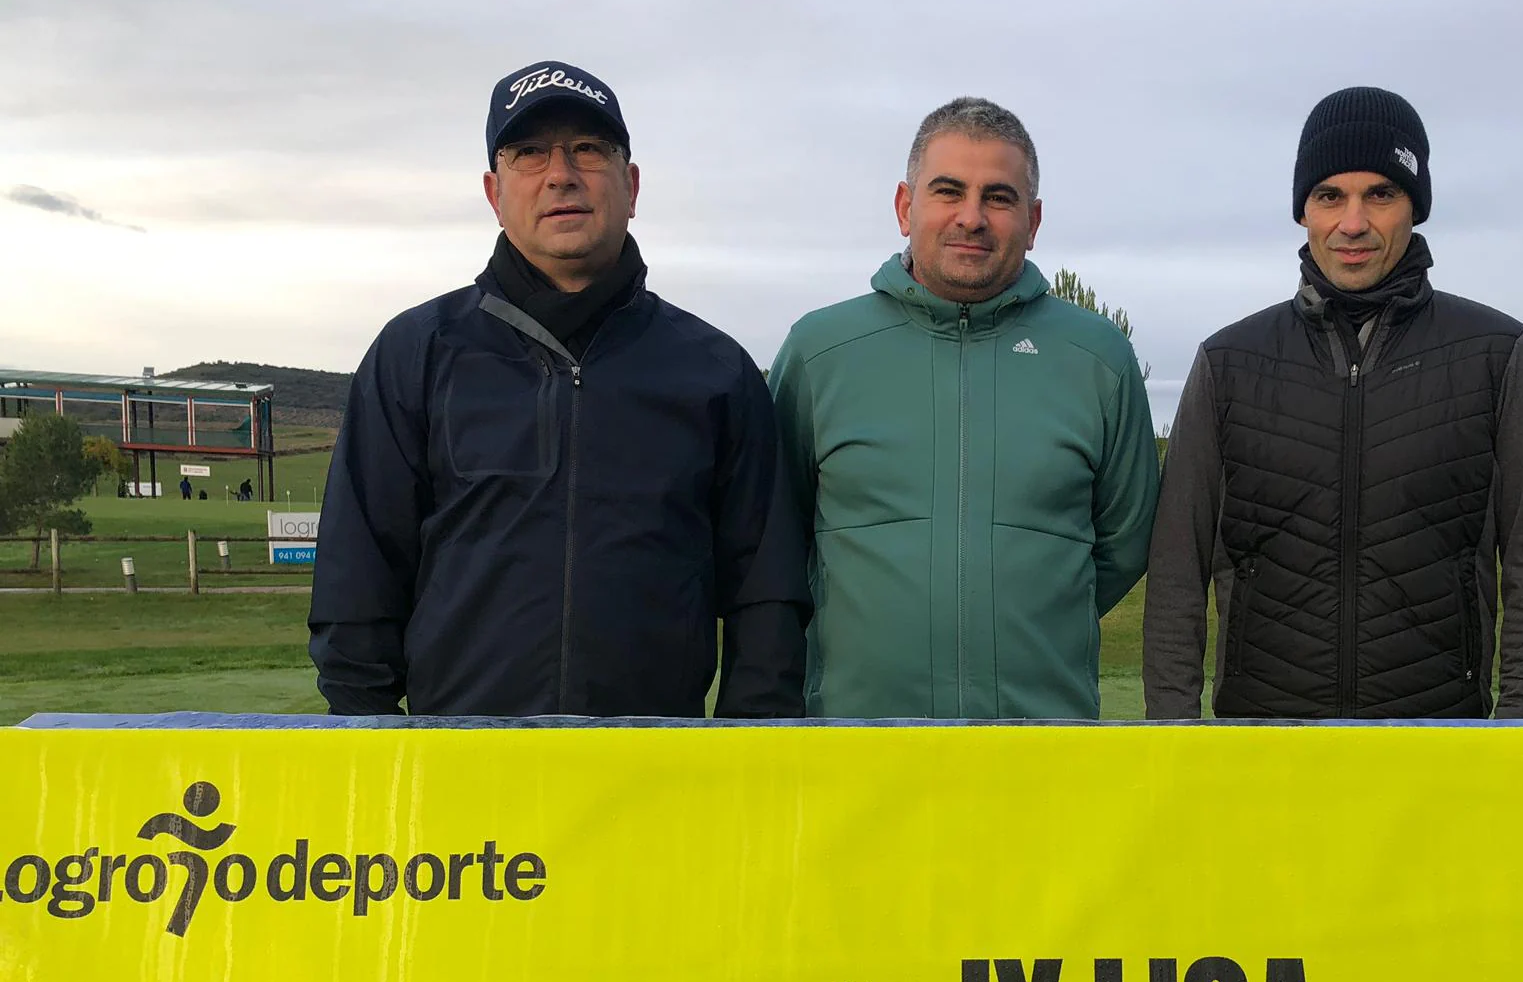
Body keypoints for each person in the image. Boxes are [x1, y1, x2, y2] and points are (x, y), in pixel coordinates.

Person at [309, 60, 809, 717]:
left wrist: (748, 748)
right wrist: (368, 740)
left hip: (653, 774)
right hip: (463, 769)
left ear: (631, 184)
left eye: (589, 150)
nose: (561, 174)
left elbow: (764, 590)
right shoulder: (416, 355)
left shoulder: (715, 371)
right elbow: (359, 576)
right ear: (495, 190)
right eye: (530, 153)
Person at [1143, 87, 1523, 720]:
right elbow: (1177, 569)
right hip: (1265, 746)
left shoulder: (1496, 353)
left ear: (1415, 207)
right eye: (1329, 196)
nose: (1353, 223)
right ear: (1303, 212)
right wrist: (1173, 735)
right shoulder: (1228, 362)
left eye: (1381, 193)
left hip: (1439, 745)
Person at [769, 97, 1158, 720]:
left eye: (998, 198)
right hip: (855, 738)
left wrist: (1036, 618)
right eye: (948, 191)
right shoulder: (820, 352)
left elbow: (1126, 540)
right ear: (905, 207)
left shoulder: (1099, 358)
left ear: (1032, 221)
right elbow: (775, 538)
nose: (972, 218)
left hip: (1043, 738)